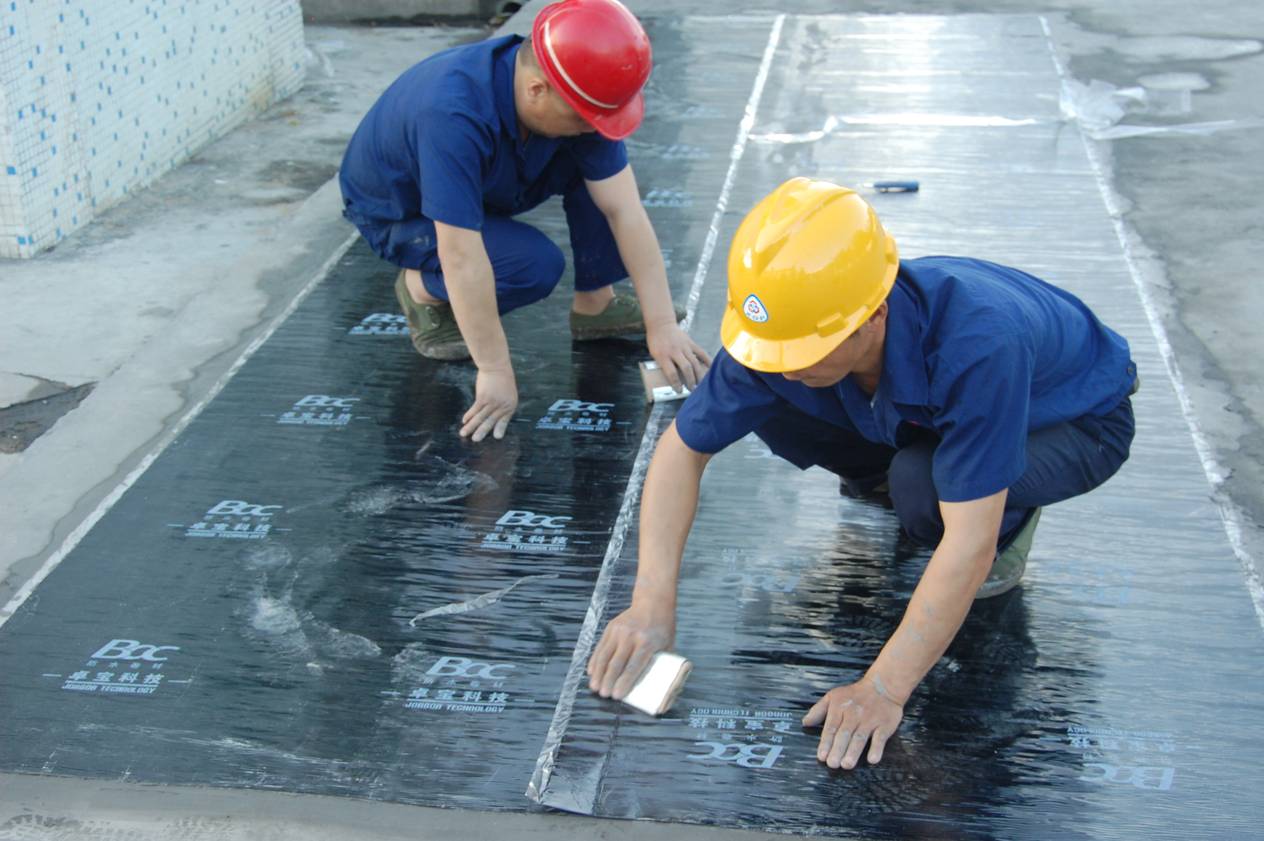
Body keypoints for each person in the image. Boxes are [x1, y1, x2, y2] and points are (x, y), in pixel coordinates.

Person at [586, 177, 1137, 772]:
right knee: (775, 411)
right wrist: (649, 601)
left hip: (1076, 424)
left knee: (925, 491)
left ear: (873, 315)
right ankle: (912, 467)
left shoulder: (978, 344)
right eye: (776, 351)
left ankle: (1009, 508)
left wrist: (882, 688)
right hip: (928, 406)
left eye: (803, 352)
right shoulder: (783, 331)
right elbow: (681, 450)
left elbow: (966, 543)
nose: (785, 366)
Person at [338, 0, 709, 442]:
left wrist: (661, 325)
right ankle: (420, 288)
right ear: (536, 90)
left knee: (594, 170)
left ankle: (596, 304)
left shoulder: (569, 92)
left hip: (480, 183)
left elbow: (623, 209)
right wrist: (494, 369)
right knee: (532, 265)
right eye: (585, 117)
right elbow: (460, 253)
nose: (594, 127)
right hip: (402, 211)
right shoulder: (451, 114)